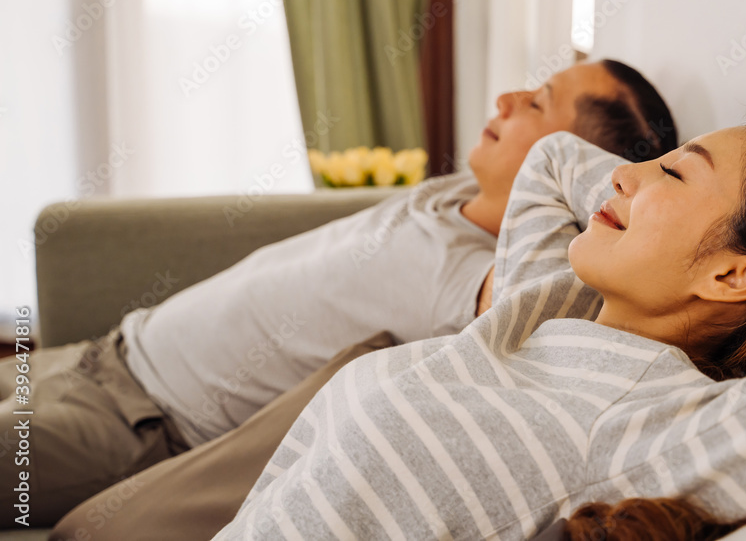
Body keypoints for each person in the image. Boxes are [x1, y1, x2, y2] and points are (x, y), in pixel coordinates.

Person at [211, 115, 746, 540]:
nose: (624, 172)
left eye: (673, 171)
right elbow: (553, 159)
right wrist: (675, 229)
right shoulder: (544, 308)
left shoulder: (659, 427)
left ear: (733, 275)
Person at [0, 59, 678, 528]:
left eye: (537, 104)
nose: (505, 99)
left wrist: (625, 193)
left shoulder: (476, 275)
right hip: (103, 351)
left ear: (574, 159)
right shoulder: (458, 197)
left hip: (134, 425)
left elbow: (558, 307)